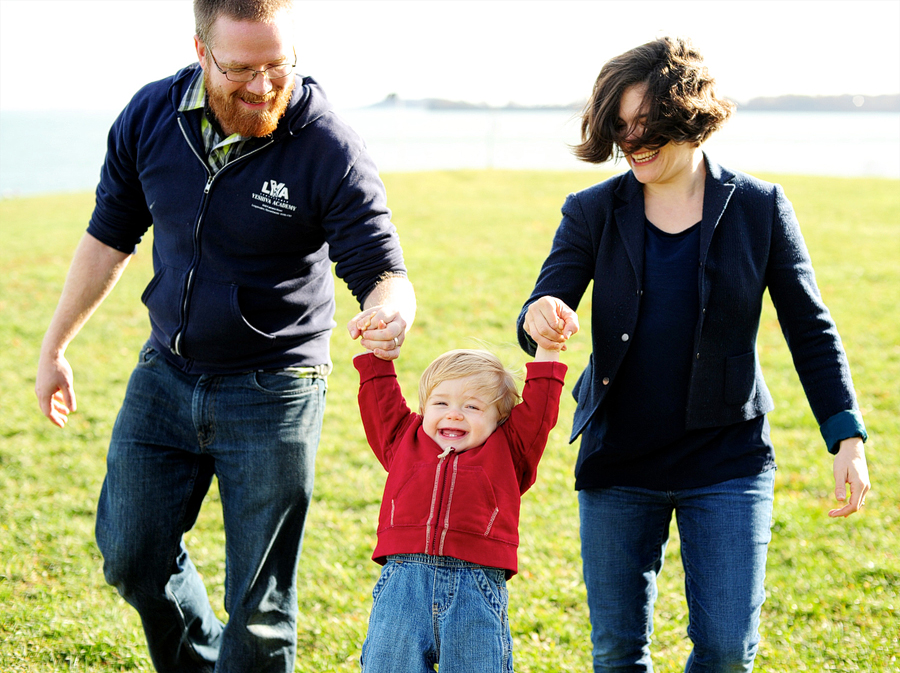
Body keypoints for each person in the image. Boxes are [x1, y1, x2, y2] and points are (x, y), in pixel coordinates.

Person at [34, 1, 415, 671]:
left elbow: (382, 265)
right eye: (242, 68)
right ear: (200, 49)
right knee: (131, 557)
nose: (264, 86)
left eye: (278, 65)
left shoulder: (326, 143)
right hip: (167, 373)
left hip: (275, 388)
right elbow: (108, 237)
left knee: (261, 612)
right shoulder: (151, 116)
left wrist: (393, 308)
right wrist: (54, 347)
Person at [517, 36, 870, 672]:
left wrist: (846, 437)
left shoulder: (759, 208)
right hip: (618, 461)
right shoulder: (593, 210)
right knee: (618, 652)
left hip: (727, 459)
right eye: (620, 127)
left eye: (647, 125)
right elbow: (543, 303)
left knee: (727, 651)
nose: (633, 141)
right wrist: (539, 314)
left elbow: (809, 329)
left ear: (690, 115)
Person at [353, 333, 571, 672]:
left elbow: (541, 407)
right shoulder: (403, 441)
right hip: (402, 588)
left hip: (476, 589)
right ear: (424, 409)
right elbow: (379, 399)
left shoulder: (510, 451)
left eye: (472, 406)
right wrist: (378, 353)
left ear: (500, 420)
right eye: (441, 404)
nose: (454, 414)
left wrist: (548, 348)